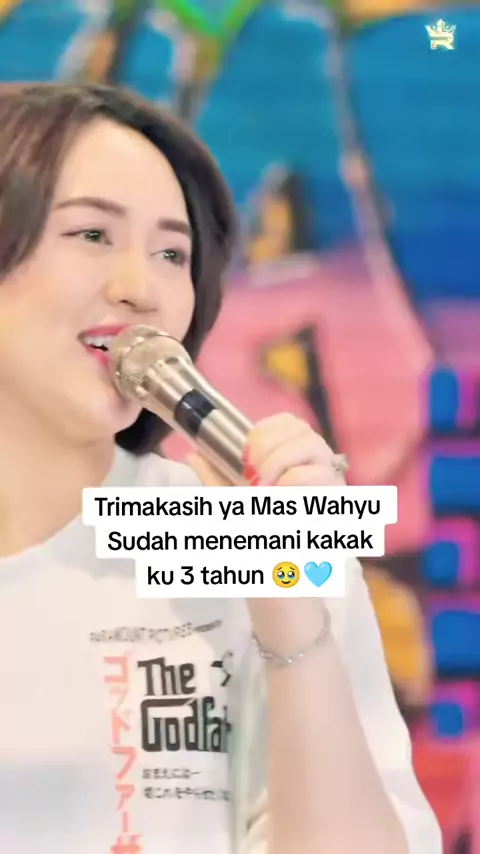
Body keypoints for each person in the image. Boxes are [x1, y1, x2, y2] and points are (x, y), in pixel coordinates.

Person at [0, 83, 442, 854]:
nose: (141, 289)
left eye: (172, 254)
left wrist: (289, 610)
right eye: (93, 235)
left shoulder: (237, 539)